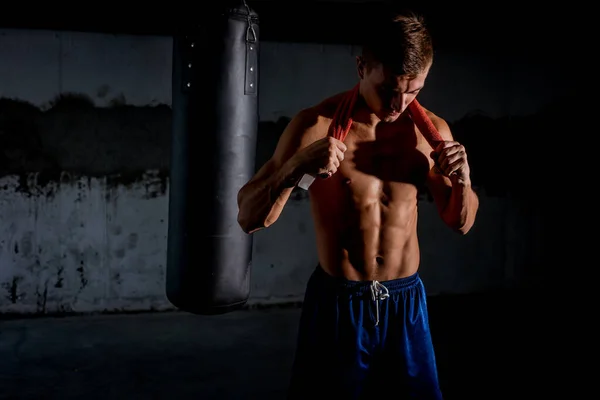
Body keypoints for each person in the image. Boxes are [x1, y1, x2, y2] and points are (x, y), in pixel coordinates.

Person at [236, 8, 479, 400]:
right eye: (389, 89)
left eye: (414, 91)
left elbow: (461, 222)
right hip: (339, 303)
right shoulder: (315, 125)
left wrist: (463, 181)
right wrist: (296, 167)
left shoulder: (429, 135)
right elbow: (249, 217)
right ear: (362, 66)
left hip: (406, 303)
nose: (400, 104)